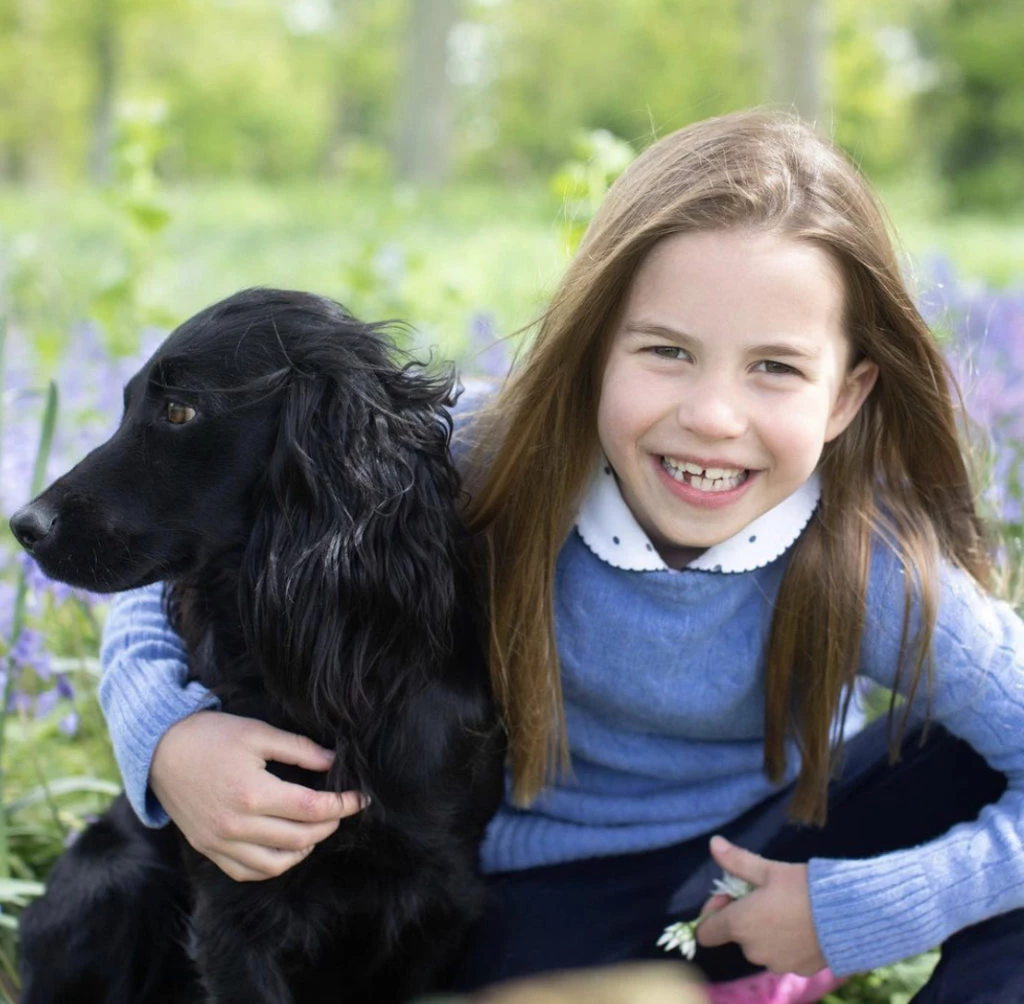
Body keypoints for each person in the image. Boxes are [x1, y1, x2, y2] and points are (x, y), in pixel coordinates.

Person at [98, 109, 1024, 1001]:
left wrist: (863, 909)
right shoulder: (489, 462)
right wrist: (166, 738)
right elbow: (193, 542)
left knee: (982, 768)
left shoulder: (868, 564)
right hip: (540, 900)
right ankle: (707, 986)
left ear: (846, 397)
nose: (712, 416)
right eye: (667, 351)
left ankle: (783, 958)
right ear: (594, 351)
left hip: (765, 855)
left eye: (774, 368)